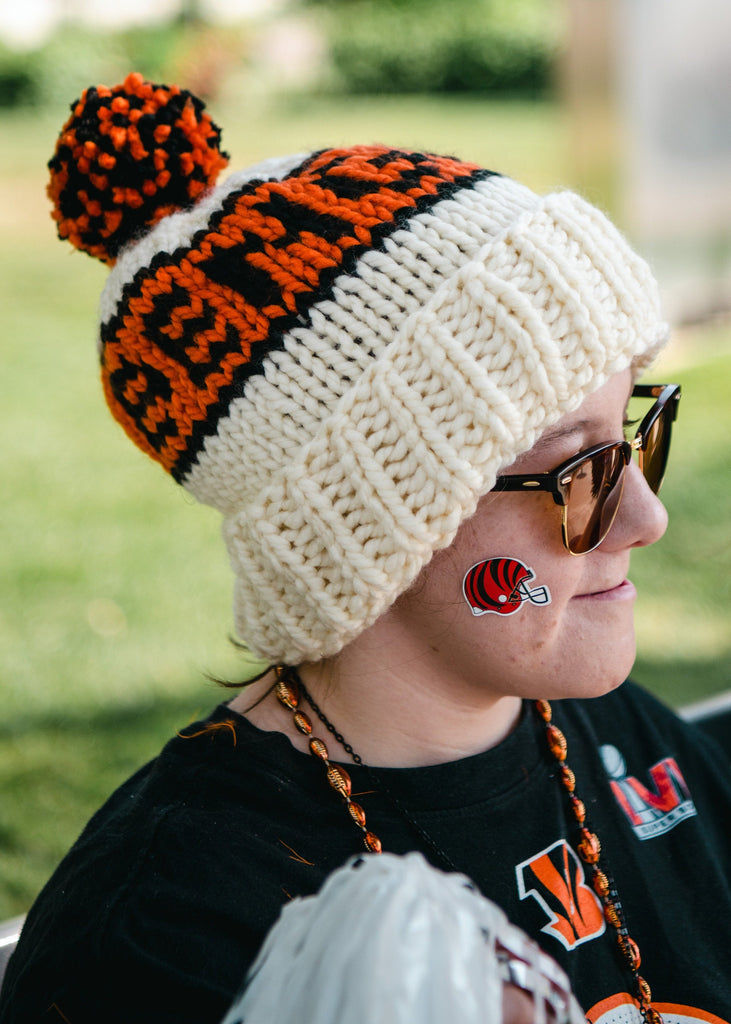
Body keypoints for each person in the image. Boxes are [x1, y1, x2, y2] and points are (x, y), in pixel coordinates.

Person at [1, 71, 729, 1024]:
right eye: (571, 470)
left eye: (631, 433)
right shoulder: (167, 930)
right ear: (376, 527)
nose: (644, 517)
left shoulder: (624, 742)